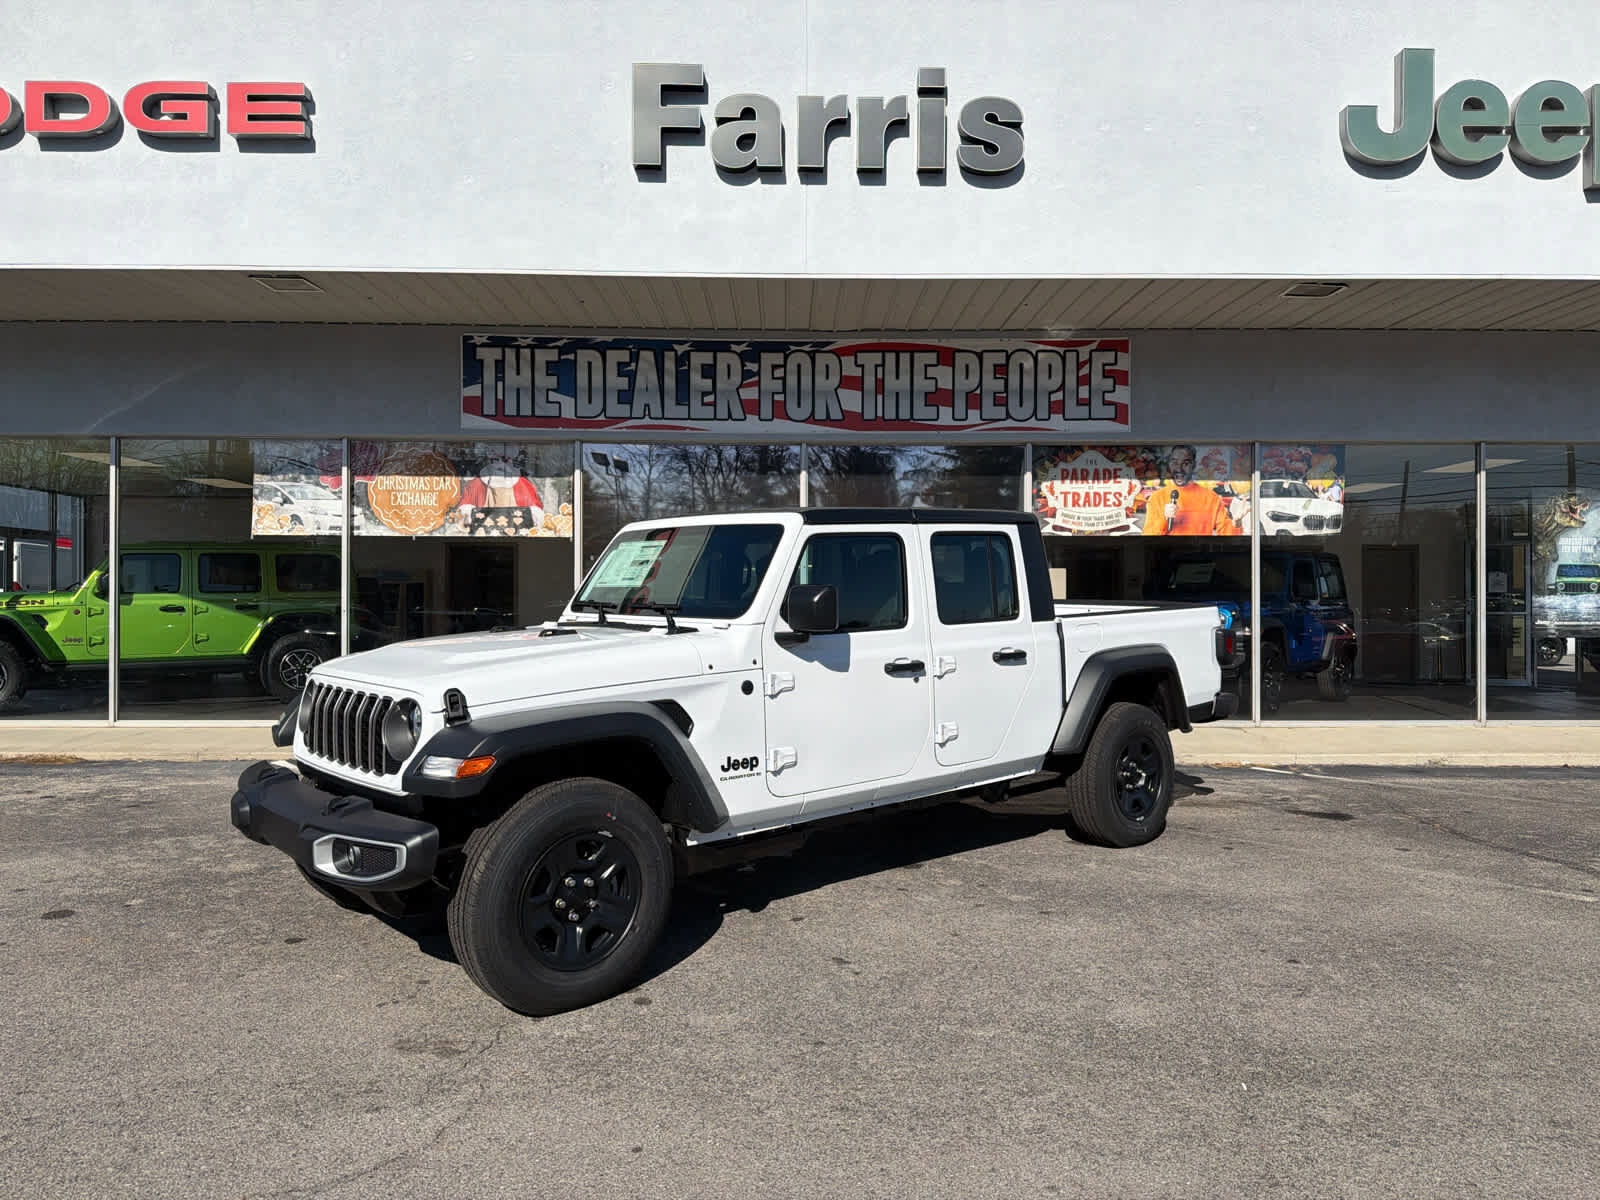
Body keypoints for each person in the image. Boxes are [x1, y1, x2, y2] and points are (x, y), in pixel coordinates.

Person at [1142, 444, 1242, 536]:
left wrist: (1236, 524)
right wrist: (1164, 518)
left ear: (1194, 465)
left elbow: (1226, 536)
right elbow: (1147, 539)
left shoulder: (1211, 498)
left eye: (1185, 463)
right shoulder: (1157, 498)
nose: (1179, 469)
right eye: (1175, 462)